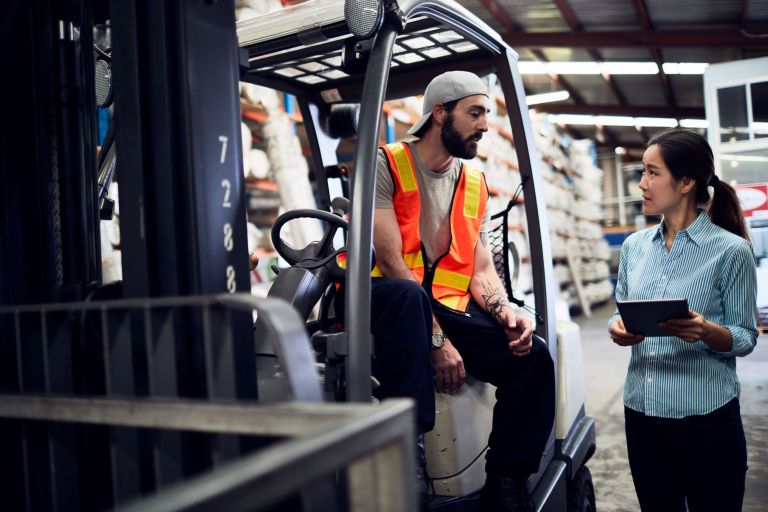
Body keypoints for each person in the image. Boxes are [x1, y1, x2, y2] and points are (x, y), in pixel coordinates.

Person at [344, 70, 555, 511]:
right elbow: (390, 261)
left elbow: (479, 269)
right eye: (475, 113)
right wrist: (438, 341)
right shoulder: (387, 163)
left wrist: (507, 313)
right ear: (440, 114)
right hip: (384, 299)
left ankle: (505, 481)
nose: (483, 125)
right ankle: (408, 453)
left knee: (532, 357)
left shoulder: (473, 181)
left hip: (443, 305)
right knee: (409, 298)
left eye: (486, 115)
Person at [608, 129, 758, 512]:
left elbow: (745, 336)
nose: (641, 183)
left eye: (652, 172)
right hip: (642, 416)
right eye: (642, 172)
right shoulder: (633, 248)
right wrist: (617, 327)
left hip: (707, 422)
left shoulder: (731, 252)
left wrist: (707, 331)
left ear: (686, 182)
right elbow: (620, 310)